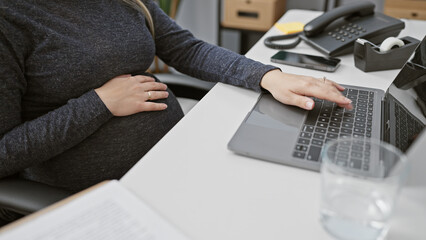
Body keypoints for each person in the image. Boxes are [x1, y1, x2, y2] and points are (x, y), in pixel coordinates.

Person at [0, 0, 352, 192]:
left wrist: (269, 77)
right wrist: (100, 103)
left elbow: (186, 50)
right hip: (105, 193)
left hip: (176, 160)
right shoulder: (11, 19)